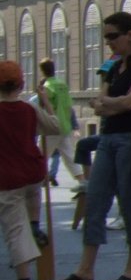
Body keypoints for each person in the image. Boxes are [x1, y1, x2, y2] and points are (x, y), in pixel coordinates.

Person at [56, 13, 131, 280]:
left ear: (130, 35)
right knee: (95, 201)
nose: (108, 42)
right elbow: (101, 104)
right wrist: (110, 103)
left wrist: (109, 104)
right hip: (108, 139)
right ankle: (85, 271)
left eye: (113, 36)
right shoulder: (114, 67)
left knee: (129, 203)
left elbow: (130, 102)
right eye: (106, 37)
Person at [0, 61, 59, 280]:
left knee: (15, 232)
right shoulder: (29, 109)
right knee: (32, 195)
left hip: (8, 177)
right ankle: (34, 226)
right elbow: (55, 127)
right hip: (34, 171)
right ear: (21, 84)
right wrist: (45, 101)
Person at [35, 59, 81, 190]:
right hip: (64, 125)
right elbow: (69, 105)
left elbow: (43, 106)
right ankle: (82, 180)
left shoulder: (47, 86)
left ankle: (37, 181)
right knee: (69, 156)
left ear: (42, 70)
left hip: (52, 126)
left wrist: (41, 95)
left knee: (40, 155)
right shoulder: (63, 85)